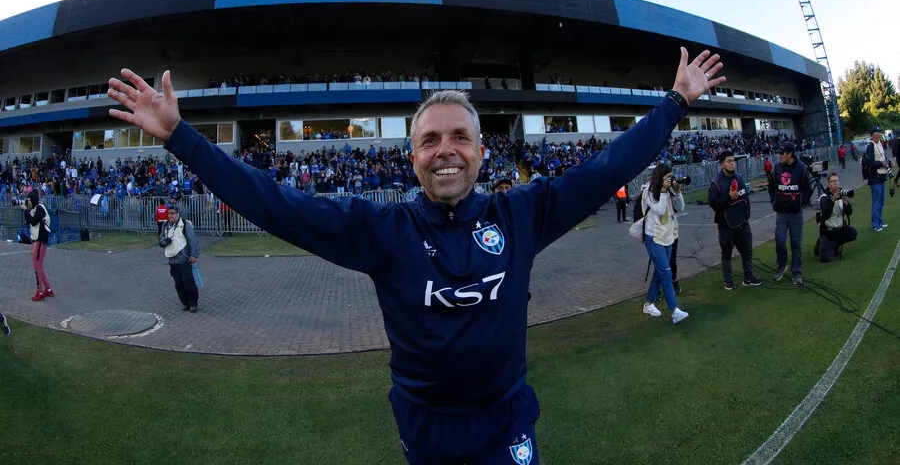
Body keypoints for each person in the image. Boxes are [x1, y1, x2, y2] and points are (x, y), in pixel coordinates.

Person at [107, 47, 725, 464]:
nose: (446, 149)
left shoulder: (522, 214)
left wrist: (675, 103)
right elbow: (275, 203)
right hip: (425, 425)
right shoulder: (383, 230)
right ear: (413, 157)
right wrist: (185, 139)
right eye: (430, 139)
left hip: (507, 419)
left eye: (460, 136)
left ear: (482, 153)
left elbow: (607, 167)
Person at [640, 165, 689, 324]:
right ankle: (675, 310)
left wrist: (677, 191)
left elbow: (681, 208)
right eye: (667, 177)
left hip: (667, 235)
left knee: (660, 272)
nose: (670, 180)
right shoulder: (649, 191)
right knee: (666, 272)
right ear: (659, 177)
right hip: (653, 237)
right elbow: (660, 210)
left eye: (671, 177)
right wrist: (662, 191)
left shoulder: (668, 191)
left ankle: (648, 304)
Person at [708, 151, 761, 290]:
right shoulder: (716, 183)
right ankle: (728, 281)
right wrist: (728, 198)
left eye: (733, 161)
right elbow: (713, 204)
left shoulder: (739, 177)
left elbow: (745, 197)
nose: (732, 163)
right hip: (726, 225)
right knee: (727, 255)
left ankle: (749, 278)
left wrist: (746, 213)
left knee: (747, 252)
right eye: (728, 161)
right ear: (722, 164)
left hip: (742, 222)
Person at [768, 141, 813, 285]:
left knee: (796, 243)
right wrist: (774, 202)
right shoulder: (777, 169)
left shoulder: (801, 168)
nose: (779, 156)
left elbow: (807, 188)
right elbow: (771, 186)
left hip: (795, 213)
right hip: (781, 212)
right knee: (780, 241)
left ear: (790, 154)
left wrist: (801, 203)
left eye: (782, 153)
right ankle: (782, 265)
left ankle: (796, 271)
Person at [159, 204, 201, 312]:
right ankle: (185, 303)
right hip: (172, 260)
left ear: (178, 214)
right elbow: (161, 239)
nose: (170, 216)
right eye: (169, 213)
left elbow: (192, 240)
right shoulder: (165, 225)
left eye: (172, 213)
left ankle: (193, 303)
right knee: (178, 284)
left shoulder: (185, 224)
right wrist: (164, 241)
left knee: (188, 282)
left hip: (184, 258)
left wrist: (193, 255)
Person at [20, 188, 54, 301]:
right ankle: (48, 289)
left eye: (29, 200)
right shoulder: (34, 209)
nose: (28, 202)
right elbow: (29, 220)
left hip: (40, 240)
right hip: (37, 240)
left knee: (37, 266)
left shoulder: (40, 208)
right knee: (38, 266)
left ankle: (39, 291)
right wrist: (26, 211)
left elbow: (34, 221)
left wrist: (25, 210)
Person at [816, 172, 858, 262]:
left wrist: (846, 204)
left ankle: (836, 244)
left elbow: (849, 213)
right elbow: (826, 215)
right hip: (828, 232)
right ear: (829, 184)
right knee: (825, 258)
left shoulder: (842, 195)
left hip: (840, 229)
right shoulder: (824, 198)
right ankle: (820, 243)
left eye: (836, 181)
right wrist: (833, 199)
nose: (835, 183)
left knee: (853, 233)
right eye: (832, 181)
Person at [865, 126, 891, 232]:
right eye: (878, 132)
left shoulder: (879, 143)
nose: (880, 134)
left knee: (881, 201)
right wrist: (882, 164)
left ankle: (880, 221)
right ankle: (875, 224)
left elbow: (883, 157)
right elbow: (870, 162)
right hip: (874, 177)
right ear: (873, 134)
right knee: (876, 201)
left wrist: (889, 163)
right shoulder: (870, 145)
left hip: (881, 176)